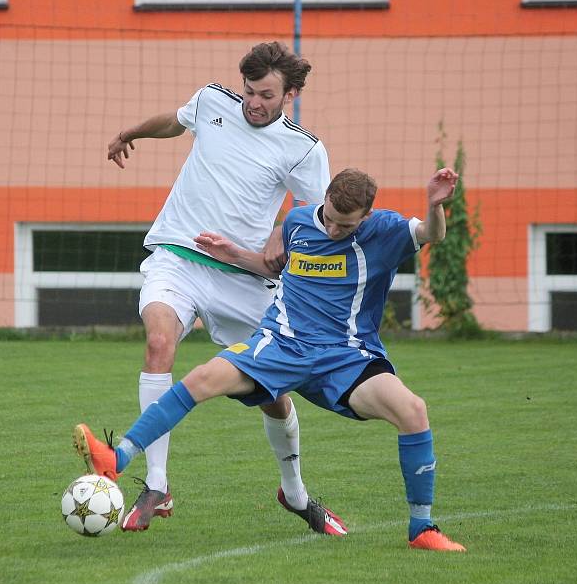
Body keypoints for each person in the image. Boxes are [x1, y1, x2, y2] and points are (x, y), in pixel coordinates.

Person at [74, 167, 467, 551]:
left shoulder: (385, 230)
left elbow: (431, 233)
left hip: (345, 356)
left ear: (365, 216)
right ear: (324, 200)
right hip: (280, 345)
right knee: (200, 379)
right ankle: (118, 456)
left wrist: (434, 205)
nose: (332, 230)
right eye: (329, 218)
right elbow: (270, 266)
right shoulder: (298, 222)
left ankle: (421, 528)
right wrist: (234, 254)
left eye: (344, 227)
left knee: (413, 411)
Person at [104, 42, 344, 534]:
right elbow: (176, 121)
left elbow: (323, 218)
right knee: (158, 342)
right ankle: (157, 485)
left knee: (273, 392)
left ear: (290, 95)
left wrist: (284, 229)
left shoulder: (304, 149)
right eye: (249, 92)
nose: (253, 103)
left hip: (244, 280)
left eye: (266, 95)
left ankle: (295, 492)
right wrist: (133, 132)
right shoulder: (213, 102)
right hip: (179, 258)